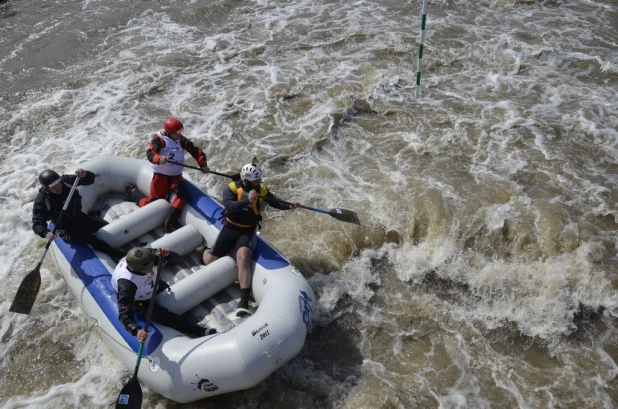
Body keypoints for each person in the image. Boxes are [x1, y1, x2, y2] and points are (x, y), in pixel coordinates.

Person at [202, 162, 298, 316]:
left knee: (244, 258)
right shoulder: (232, 188)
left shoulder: (262, 189)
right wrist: (248, 200)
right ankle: (205, 249)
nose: (259, 182)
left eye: (259, 179)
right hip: (230, 227)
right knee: (209, 260)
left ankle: (244, 299)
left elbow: (275, 203)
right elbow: (229, 206)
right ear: (246, 180)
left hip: (247, 230)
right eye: (256, 180)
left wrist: (289, 205)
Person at [111, 246, 217, 342]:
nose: (153, 267)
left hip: (151, 284)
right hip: (139, 300)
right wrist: (136, 330)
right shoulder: (127, 284)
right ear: (139, 270)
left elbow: (177, 259)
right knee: (164, 316)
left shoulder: (149, 255)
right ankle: (197, 331)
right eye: (150, 268)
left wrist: (168, 255)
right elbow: (124, 314)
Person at [125, 117, 210, 233]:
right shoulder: (158, 140)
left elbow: (196, 151)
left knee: (184, 194)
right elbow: (150, 153)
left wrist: (203, 165)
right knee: (152, 207)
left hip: (176, 176)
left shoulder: (181, 139)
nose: (180, 135)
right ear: (169, 133)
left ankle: (169, 222)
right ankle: (133, 192)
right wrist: (159, 159)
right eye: (177, 133)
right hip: (160, 177)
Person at [32, 168, 125, 259]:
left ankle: (95, 217)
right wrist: (45, 233)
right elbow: (37, 223)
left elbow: (90, 180)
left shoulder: (65, 181)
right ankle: (118, 255)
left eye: (58, 183)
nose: (58, 188)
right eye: (53, 187)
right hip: (66, 228)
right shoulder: (41, 201)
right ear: (47, 188)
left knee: (106, 226)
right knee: (92, 239)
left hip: (80, 217)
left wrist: (85, 174)